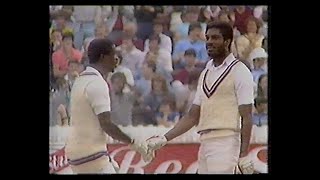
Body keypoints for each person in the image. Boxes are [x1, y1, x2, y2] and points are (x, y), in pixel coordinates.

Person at [146, 22, 255, 174]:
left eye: (215, 38)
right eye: (208, 37)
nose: (210, 41)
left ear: (227, 41)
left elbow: (247, 115)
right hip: (204, 142)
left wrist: (243, 154)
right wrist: (164, 138)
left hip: (227, 141)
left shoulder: (239, 70)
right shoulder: (206, 72)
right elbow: (192, 115)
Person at [65, 39, 153, 174]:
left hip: (76, 154)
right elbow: (106, 124)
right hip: (92, 154)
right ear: (103, 57)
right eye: (113, 55)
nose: (116, 59)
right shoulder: (97, 83)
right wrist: (134, 143)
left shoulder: (80, 80)